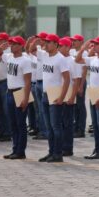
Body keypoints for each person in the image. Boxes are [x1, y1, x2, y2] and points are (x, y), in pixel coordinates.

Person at [30, 34, 70, 163]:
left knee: (56, 126)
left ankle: (58, 154)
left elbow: (67, 79)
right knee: (48, 127)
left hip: (56, 96)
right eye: (45, 42)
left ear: (56, 44)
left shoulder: (60, 59)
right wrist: (36, 41)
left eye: (48, 42)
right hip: (45, 94)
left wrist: (61, 97)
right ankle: (51, 152)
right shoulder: (44, 55)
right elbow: (31, 50)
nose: (45, 44)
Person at [76, 36, 99, 159]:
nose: (94, 46)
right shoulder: (93, 59)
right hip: (93, 94)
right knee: (96, 125)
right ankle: (97, 149)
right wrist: (83, 48)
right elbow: (77, 60)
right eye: (94, 44)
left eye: (97, 44)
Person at [0, 36, 32, 158]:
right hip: (10, 92)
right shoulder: (9, 57)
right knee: (12, 123)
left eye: (15, 44)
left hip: (20, 92)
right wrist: (1, 48)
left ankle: (20, 151)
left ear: (21, 46)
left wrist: (26, 98)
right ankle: (15, 149)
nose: (12, 46)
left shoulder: (25, 60)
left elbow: (28, 82)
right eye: (11, 44)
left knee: (20, 123)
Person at [58, 37, 82, 157]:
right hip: (58, 95)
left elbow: (76, 80)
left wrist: (73, 96)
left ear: (68, 47)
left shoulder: (73, 61)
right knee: (59, 123)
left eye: (61, 45)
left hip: (68, 96)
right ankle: (60, 145)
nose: (59, 47)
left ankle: (67, 148)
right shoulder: (58, 59)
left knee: (67, 123)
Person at [70, 34, 87, 138]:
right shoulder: (71, 51)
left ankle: (81, 129)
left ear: (81, 42)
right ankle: (75, 127)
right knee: (75, 106)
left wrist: (81, 85)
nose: (73, 42)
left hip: (80, 80)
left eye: (76, 40)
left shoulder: (84, 53)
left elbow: (84, 70)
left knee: (80, 106)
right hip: (73, 80)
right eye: (73, 40)